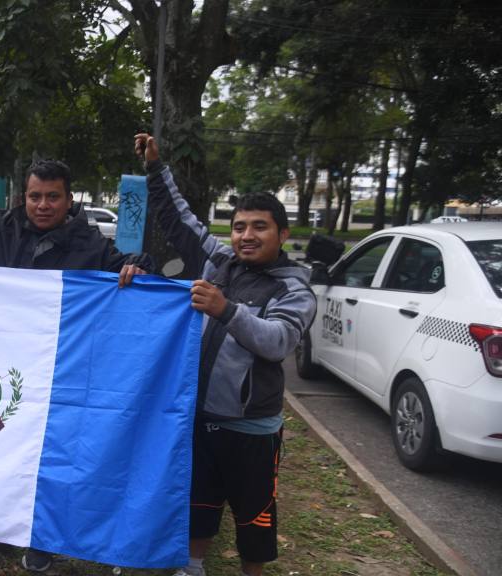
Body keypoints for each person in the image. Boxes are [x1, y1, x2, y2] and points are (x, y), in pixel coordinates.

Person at [0, 100, 152, 572]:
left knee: (57, 458)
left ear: (69, 200)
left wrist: (134, 270)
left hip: (62, 374)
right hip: (2, 370)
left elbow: (130, 273)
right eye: (35, 196)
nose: (43, 205)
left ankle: (42, 538)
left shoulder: (91, 245)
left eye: (53, 197)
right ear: (23, 196)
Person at [135, 133, 316, 576]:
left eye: (259, 227)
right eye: (239, 227)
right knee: (199, 497)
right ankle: (193, 566)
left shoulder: (294, 287)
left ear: (282, 233)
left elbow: (277, 341)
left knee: (254, 513)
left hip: (252, 425)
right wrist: (156, 170)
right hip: (201, 416)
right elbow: (180, 222)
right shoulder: (219, 263)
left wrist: (226, 309)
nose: (246, 235)